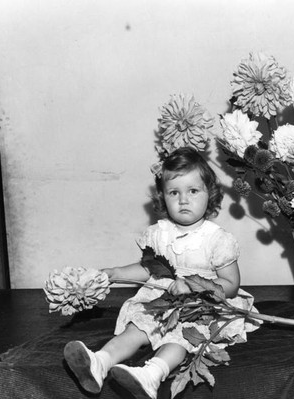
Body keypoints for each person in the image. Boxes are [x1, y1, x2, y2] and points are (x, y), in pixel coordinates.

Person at [63, 147, 259, 399]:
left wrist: (193, 286)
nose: (183, 200)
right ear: (163, 197)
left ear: (209, 194)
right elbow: (148, 269)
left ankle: (151, 375)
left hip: (201, 305)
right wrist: (115, 272)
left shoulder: (216, 239)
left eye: (193, 191)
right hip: (160, 302)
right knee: (137, 328)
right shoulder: (159, 234)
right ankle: (99, 362)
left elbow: (230, 284)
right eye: (174, 192)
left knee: (180, 337)